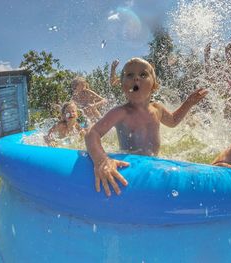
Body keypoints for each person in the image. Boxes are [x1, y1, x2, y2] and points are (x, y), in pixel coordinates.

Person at [86, 57, 208, 196]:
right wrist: (102, 159)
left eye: (143, 74)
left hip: (153, 162)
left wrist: (188, 103)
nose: (136, 78)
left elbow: (173, 121)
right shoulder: (121, 112)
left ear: (154, 85)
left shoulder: (157, 109)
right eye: (129, 75)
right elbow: (92, 133)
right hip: (130, 165)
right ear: (122, 85)